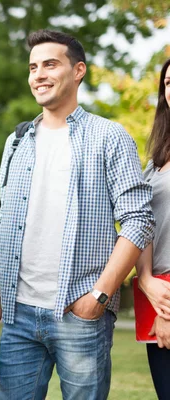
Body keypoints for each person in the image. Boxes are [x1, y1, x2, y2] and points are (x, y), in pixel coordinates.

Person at [0, 30, 155, 399]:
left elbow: (138, 219)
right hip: (17, 316)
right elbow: (4, 225)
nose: (38, 75)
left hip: (80, 313)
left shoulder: (109, 137)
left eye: (50, 64)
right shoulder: (17, 143)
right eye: (32, 67)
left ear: (78, 71)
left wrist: (99, 297)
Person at [135, 57, 170, 399]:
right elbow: (142, 225)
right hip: (156, 294)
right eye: (169, 82)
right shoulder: (155, 161)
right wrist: (146, 281)